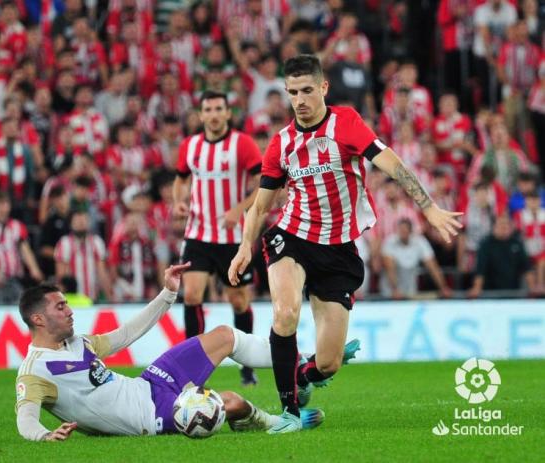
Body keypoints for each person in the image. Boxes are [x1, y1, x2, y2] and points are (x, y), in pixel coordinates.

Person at [228, 54, 462, 433]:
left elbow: (393, 164)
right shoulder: (281, 143)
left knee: (328, 364)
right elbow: (260, 206)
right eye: (292, 93)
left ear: (323, 88)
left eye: (306, 90)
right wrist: (244, 247)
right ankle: (288, 414)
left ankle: (303, 375)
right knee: (285, 314)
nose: (299, 100)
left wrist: (429, 208)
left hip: (338, 249)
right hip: (292, 237)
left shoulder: (347, 124)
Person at [14, 262, 336, 441]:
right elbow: (25, 418)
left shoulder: (77, 342)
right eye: (60, 307)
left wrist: (168, 294)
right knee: (232, 401)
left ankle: (303, 364)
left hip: (149, 384)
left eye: (67, 304)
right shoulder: (36, 371)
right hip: (149, 416)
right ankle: (273, 422)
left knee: (224, 336)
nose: (69, 311)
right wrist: (44, 436)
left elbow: (126, 335)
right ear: (38, 319)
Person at [172, 90, 262, 386]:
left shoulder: (243, 144)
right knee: (192, 295)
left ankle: (247, 365)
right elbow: (181, 178)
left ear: (227, 113)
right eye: (207, 109)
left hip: (234, 237)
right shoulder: (191, 145)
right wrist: (179, 200)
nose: (212, 114)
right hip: (198, 233)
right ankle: (192, 367)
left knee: (237, 301)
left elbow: (265, 183)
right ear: (201, 115)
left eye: (218, 108)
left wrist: (240, 208)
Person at [467, 214, 537, 297]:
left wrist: (532, 288)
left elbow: (527, 268)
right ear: (494, 227)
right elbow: (480, 270)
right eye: (501, 224)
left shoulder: (517, 243)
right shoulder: (486, 244)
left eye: (507, 224)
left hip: (513, 294)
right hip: (490, 294)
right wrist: (477, 288)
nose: (504, 227)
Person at [380, 218, 452, 299]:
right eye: (401, 230)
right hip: (390, 294)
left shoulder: (420, 242)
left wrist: (443, 287)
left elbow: (432, 266)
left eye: (405, 230)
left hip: (411, 293)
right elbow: (389, 267)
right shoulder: (389, 242)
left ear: (410, 231)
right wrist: (395, 289)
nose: (402, 233)